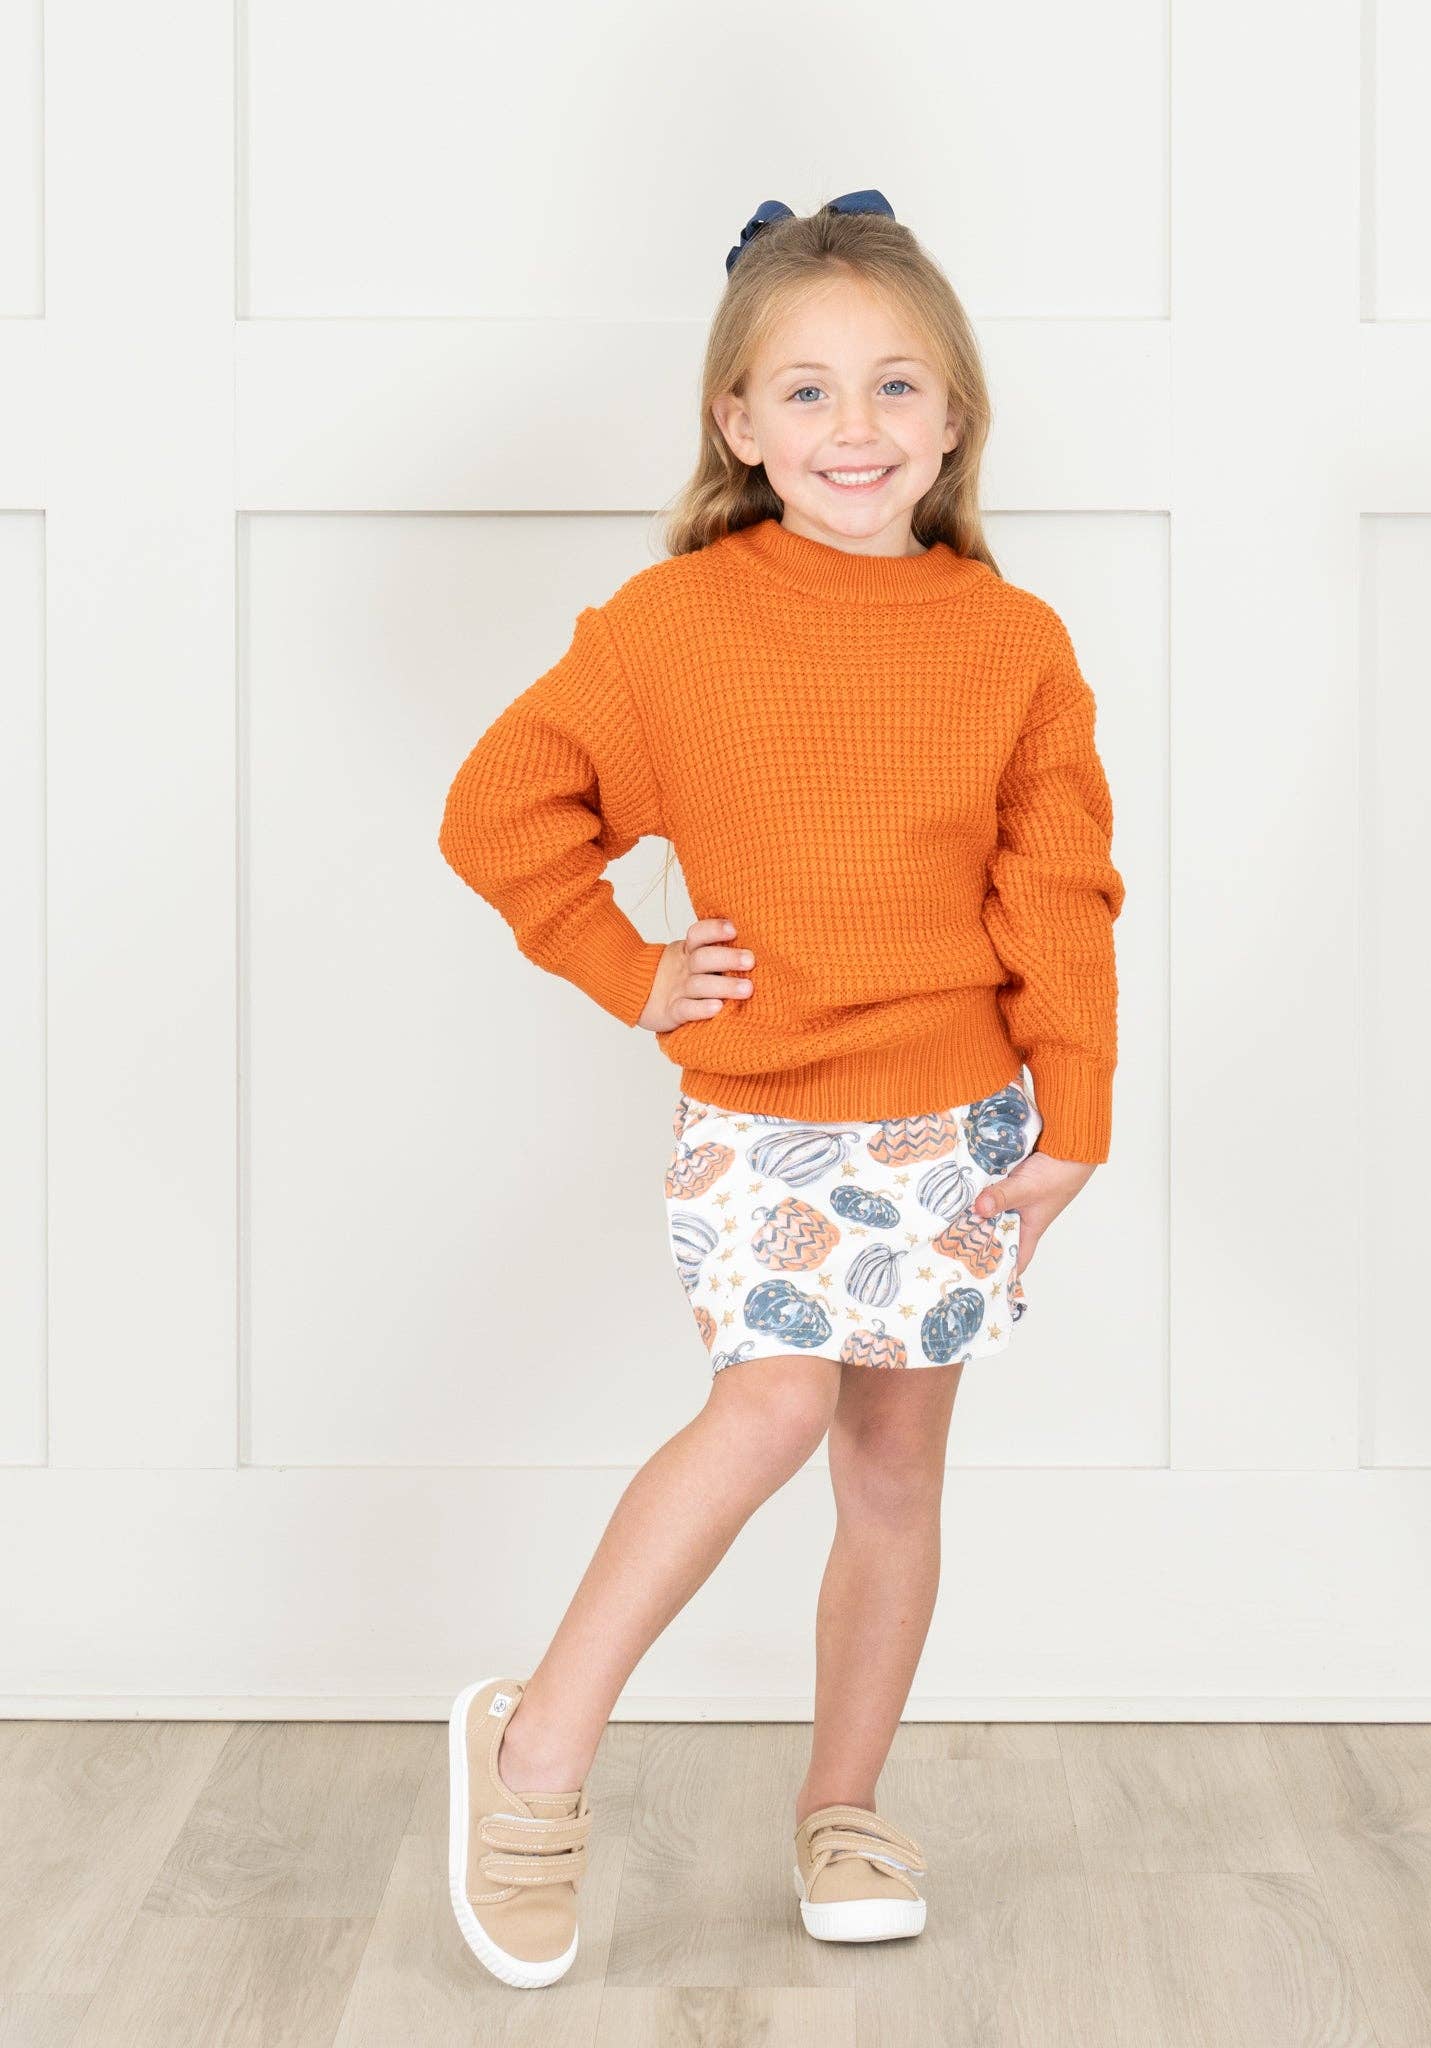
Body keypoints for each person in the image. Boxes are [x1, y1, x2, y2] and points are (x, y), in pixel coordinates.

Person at [437, 189, 1127, 1989]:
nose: (855, 427)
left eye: (897, 385)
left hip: (958, 1122)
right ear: (736, 423)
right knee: (767, 1410)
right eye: (806, 391)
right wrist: (632, 968)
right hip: (764, 1115)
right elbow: (502, 811)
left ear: (957, 416)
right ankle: (534, 1752)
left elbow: (1059, 887)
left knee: (895, 1466)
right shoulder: (675, 627)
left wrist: (1075, 1113)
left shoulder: (1012, 641)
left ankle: (845, 1806)